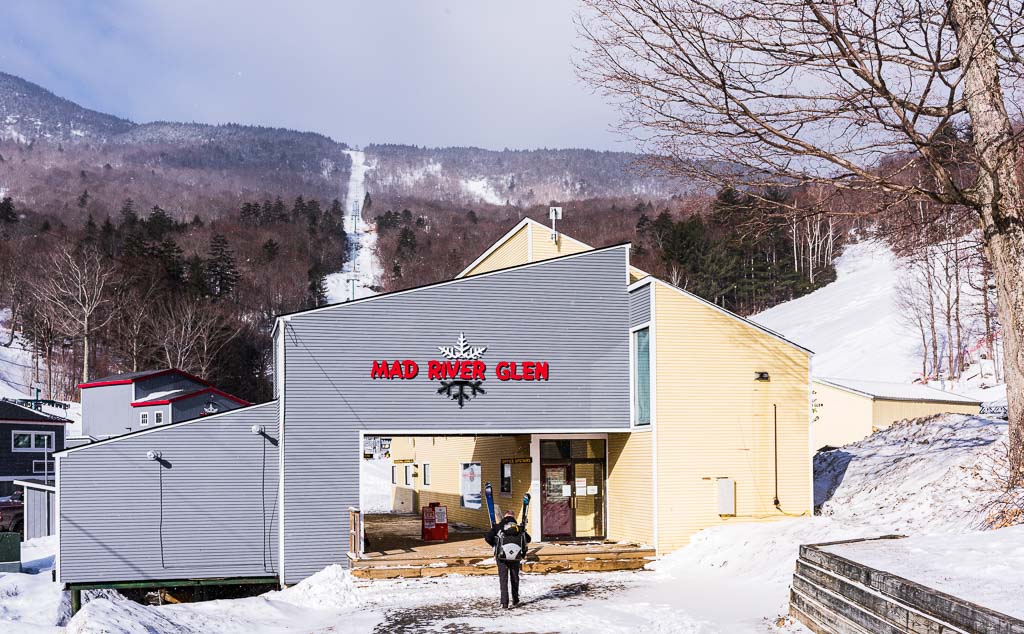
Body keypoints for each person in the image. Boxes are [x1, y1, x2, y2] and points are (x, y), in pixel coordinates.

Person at [484, 510, 531, 609]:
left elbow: (488, 537)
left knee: (503, 579)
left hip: (502, 557)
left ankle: (504, 603)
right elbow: (528, 539)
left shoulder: (498, 527)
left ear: (504, 516)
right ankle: (515, 600)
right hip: (515, 557)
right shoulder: (519, 528)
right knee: (515, 578)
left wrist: (495, 545)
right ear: (513, 517)